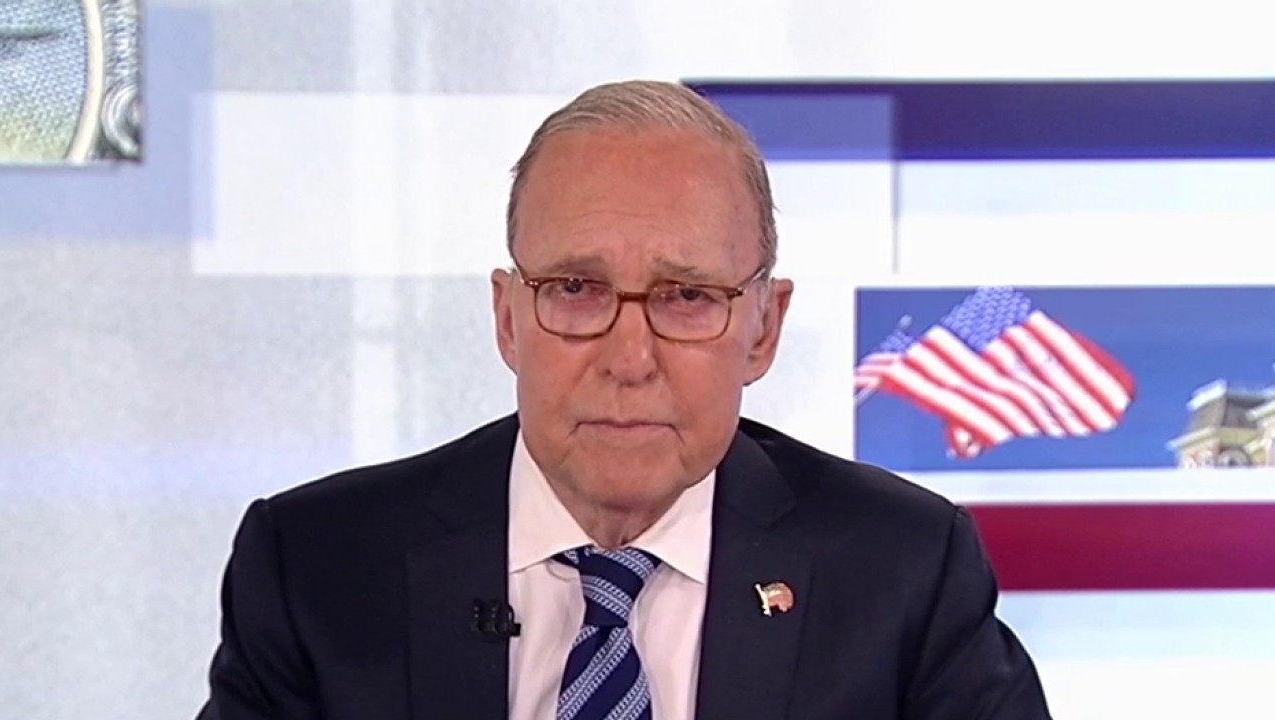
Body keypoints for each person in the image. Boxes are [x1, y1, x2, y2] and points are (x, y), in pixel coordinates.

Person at [197, 79, 1052, 720]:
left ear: (763, 329)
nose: (630, 359)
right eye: (576, 289)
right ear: (507, 318)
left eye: (688, 297)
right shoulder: (316, 567)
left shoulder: (904, 572)